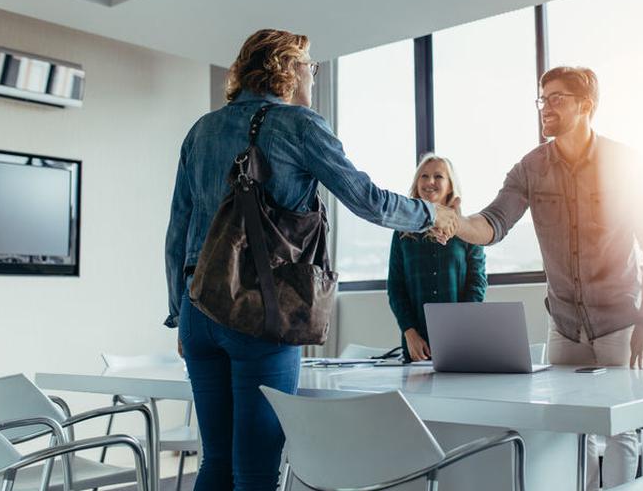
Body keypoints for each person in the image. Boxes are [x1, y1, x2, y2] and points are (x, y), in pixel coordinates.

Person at [164, 28, 458, 491]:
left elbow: (177, 229)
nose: (313, 75)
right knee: (256, 471)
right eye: (311, 65)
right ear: (287, 68)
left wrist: (178, 311)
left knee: (215, 462)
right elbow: (368, 200)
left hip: (198, 309)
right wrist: (432, 214)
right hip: (259, 311)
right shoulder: (300, 125)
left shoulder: (201, 130)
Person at [446, 66, 643, 489]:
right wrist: (454, 223)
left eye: (555, 98)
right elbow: (494, 223)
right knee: (571, 433)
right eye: (542, 99)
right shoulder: (530, 168)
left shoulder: (626, 164)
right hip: (564, 326)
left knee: (622, 430)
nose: (544, 107)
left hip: (620, 323)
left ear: (586, 106)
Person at [388, 154, 487, 362]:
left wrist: (459, 329)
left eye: (438, 176)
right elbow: (395, 288)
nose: (430, 182)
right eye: (424, 176)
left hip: (460, 341)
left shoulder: (469, 231)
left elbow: (477, 284)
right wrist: (410, 333)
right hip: (417, 348)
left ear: (451, 186)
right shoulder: (402, 234)